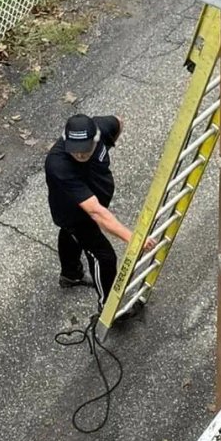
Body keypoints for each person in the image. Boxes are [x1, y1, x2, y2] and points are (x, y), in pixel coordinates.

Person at [44, 112, 138, 306]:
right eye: (75, 149)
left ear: (96, 138)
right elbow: (95, 212)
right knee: (104, 257)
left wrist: (111, 144)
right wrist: (132, 238)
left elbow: (119, 122)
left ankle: (71, 275)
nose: (80, 154)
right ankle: (109, 306)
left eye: (85, 148)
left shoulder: (103, 128)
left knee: (71, 237)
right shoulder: (57, 164)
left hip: (92, 204)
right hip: (75, 215)